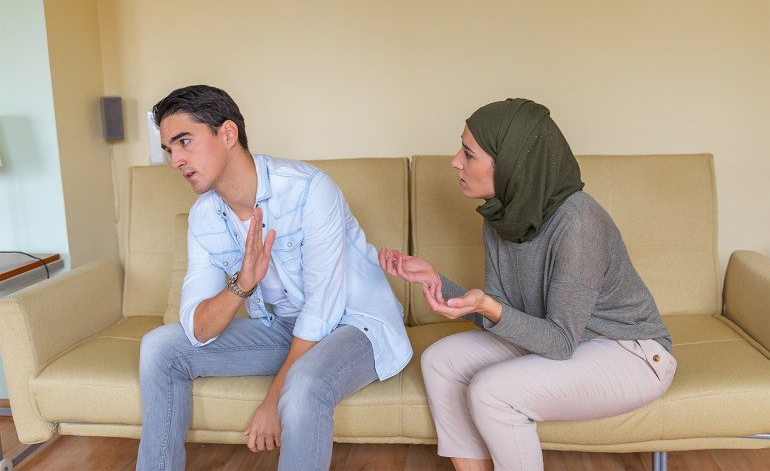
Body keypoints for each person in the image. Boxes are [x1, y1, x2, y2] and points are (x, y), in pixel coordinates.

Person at [379, 98, 676, 471]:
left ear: (511, 165)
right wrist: (438, 282)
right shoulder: (503, 213)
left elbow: (559, 341)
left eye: (468, 154)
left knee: (492, 391)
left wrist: (487, 306)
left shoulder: (578, 222)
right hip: (569, 340)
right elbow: (504, 311)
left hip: (629, 353)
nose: (455, 161)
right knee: (441, 360)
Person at [137, 85, 412, 471]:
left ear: (227, 134)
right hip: (284, 327)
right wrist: (241, 287)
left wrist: (272, 402)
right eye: (169, 149)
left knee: (302, 387)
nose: (175, 160)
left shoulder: (309, 189)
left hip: (354, 323)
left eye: (184, 142)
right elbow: (197, 328)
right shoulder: (203, 219)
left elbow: (323, 309)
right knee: (159, 348)